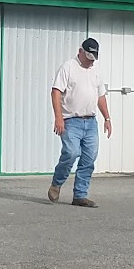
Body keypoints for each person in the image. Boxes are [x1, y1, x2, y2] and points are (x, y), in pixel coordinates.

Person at [48, 37, 110, 208]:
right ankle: (57, 183)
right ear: (80, 52)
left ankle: (80, 195)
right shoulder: (68, 67)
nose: (91, 62)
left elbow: (101, 96)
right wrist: (58, 117)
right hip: (71, 120)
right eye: (89, 57)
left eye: (93, 58)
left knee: (89, 158)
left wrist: (107, 118)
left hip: (90, 122)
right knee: (71, 153)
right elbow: (56, 92)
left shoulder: (96, 71)